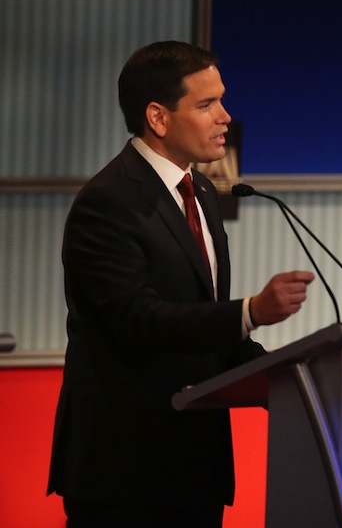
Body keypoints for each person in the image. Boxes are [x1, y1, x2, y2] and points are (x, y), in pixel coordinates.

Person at [47, 41, 316, 527]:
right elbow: (136, 320)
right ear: (158, 117)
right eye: (206, 104)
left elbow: (204, 325)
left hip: (196, 469)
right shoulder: (107, 201)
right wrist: (250, 311)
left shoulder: (203, 193)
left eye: (222, 101)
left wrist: (293, 379)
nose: (225, 117)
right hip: (124, 474)